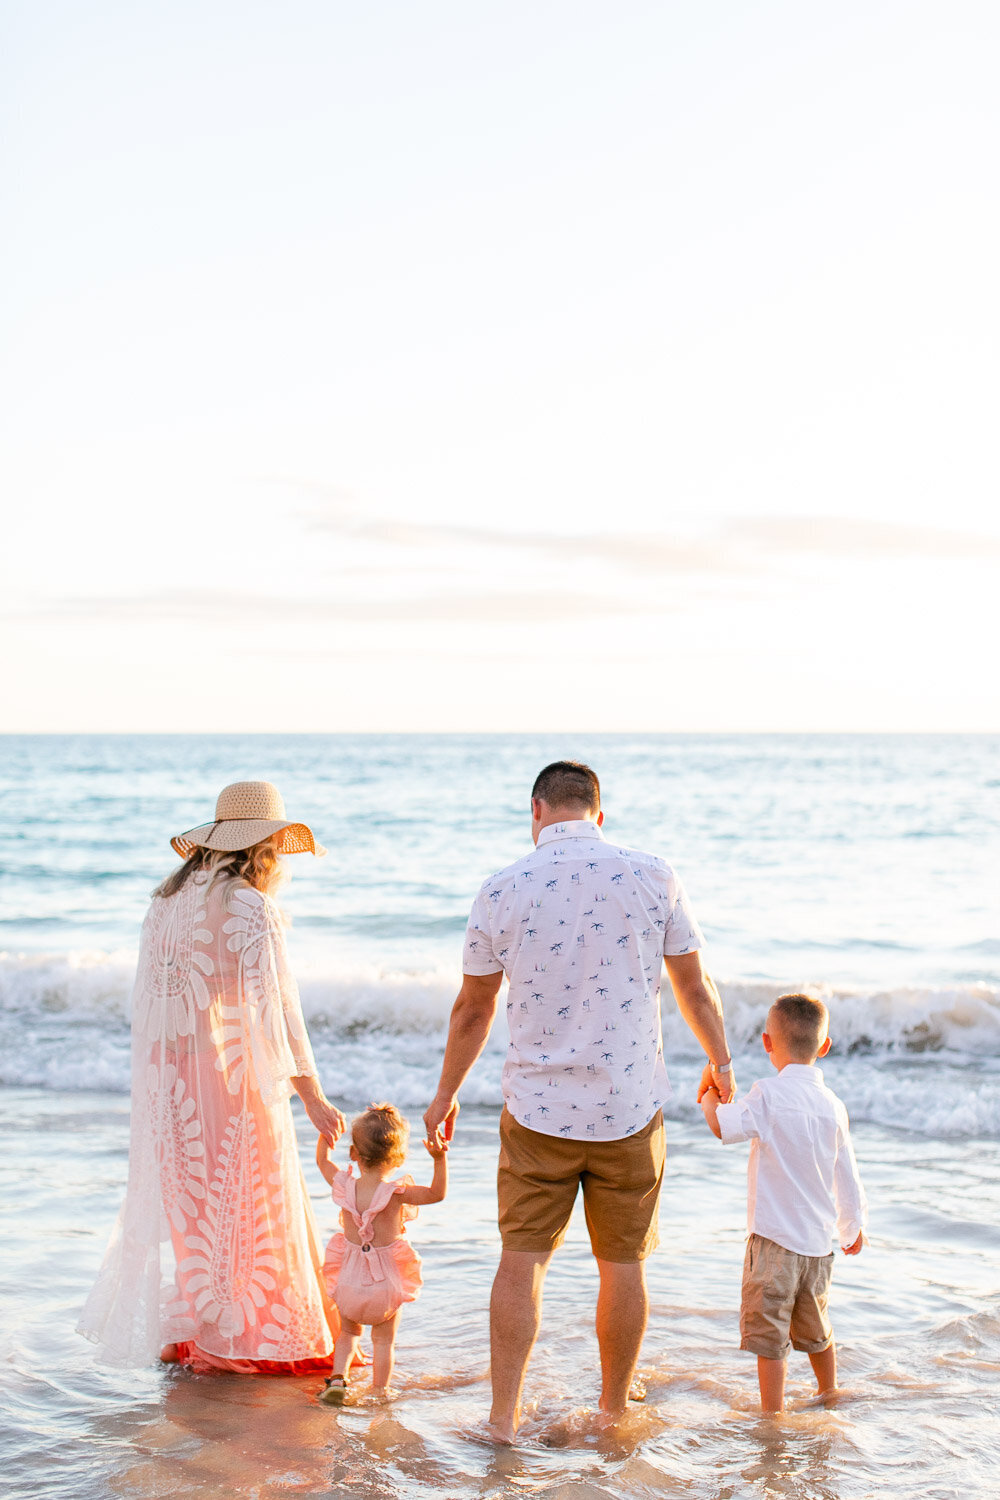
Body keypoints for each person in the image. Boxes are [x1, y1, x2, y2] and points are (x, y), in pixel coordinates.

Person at [423, 760, 736, 1442]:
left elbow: (473, 1009)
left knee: (521, 1259)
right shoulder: (654, 874)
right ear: (600, 810)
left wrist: (446, 1094)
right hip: (628, 1108)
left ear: (536, 812)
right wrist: (721, 1062)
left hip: (537, 1112)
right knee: (623, 1264)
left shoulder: (502, 887)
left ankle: (502, 1419)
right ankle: (613, 1410)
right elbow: (694, 987)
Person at [78, 781, 347, 1374]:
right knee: (255, 1202)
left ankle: (205, 1332)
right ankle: (260, 1342)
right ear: (268, 844)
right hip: (231, 1077)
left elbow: (152, 1004)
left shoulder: (165, 902)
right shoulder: (251, 906)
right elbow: (279, 1011)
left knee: (200, 1211)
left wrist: (159, 1091)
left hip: (170, 1083)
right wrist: (313, 1097)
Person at [700, 992, 867, 1413]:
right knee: (816, 1328)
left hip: (773, 1242)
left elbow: (724, 1127)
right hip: (817, 1246)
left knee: (770, 1335)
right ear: (824, 1047)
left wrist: (707, 1095)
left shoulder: (767, 1095)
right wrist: (852, 1227)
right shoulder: (833, 1106)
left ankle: (771, 1414)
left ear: (767, 1043)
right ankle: (828, 1392)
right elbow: (846, 1173)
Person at [315, 1102, 448, 1404]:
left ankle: (337, 1380)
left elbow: (322, 1162)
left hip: (349, 1282)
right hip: (384, 1286)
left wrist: (325, 1135)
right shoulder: (397, 1194)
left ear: (353, 1155)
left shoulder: (344, 1184)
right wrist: (439, 1159)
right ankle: (379, 1391)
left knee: (349, 1334)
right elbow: (437, 1194)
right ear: (398, 1157)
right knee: (383, 1340)